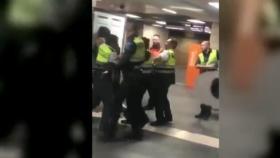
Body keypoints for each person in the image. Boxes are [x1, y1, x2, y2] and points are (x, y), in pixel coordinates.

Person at [116, 20, 149, 140]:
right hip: (138, 74)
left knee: (129, 102)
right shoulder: (139, 40)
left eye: (127, 27)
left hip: (131, 77)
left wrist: (116, 65)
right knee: (135, 102)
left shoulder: (130, 40)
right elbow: (143, 56)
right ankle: (141, 120)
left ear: (130, 29)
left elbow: (126, 57)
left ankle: (137, 132)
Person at [92, 26, 118, 141]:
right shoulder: (110, 44)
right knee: (108, 102)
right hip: (105, 76)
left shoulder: (99, 44)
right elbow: (113, 60)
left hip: (99, 75)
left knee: (97, 99)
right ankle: (105, 129)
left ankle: (105, 128)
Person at [151, 38, 178, 126]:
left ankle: (160, 119)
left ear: (171, 44)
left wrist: (156, 55)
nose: (165, 43)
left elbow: (155, 59)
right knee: (163, 98)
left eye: (167, 42)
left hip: (162, 79)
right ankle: (168, 116)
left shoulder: (166, 52)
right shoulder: (172, 53)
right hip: (167, 78)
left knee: (159, 99)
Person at [195, 41, 219, 120]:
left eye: (203, 45)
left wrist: (213, 66)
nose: (201, 46)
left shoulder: (216, 52)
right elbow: (196, 65)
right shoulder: (200, 55)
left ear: (208, 45)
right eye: (201, 45)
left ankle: (207, 114)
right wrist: (208, 66)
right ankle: (202, 113)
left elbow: (217, 64)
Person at [143, 34, 161, 110]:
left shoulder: (161, 49)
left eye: (156, 39)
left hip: (156, 72)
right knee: (150, 90)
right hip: (149, 71)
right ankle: (151, 104)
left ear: (159, 40)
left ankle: (152, 105)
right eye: (153, 39)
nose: (154, 41)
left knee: (153, 90)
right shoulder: (150, 48)